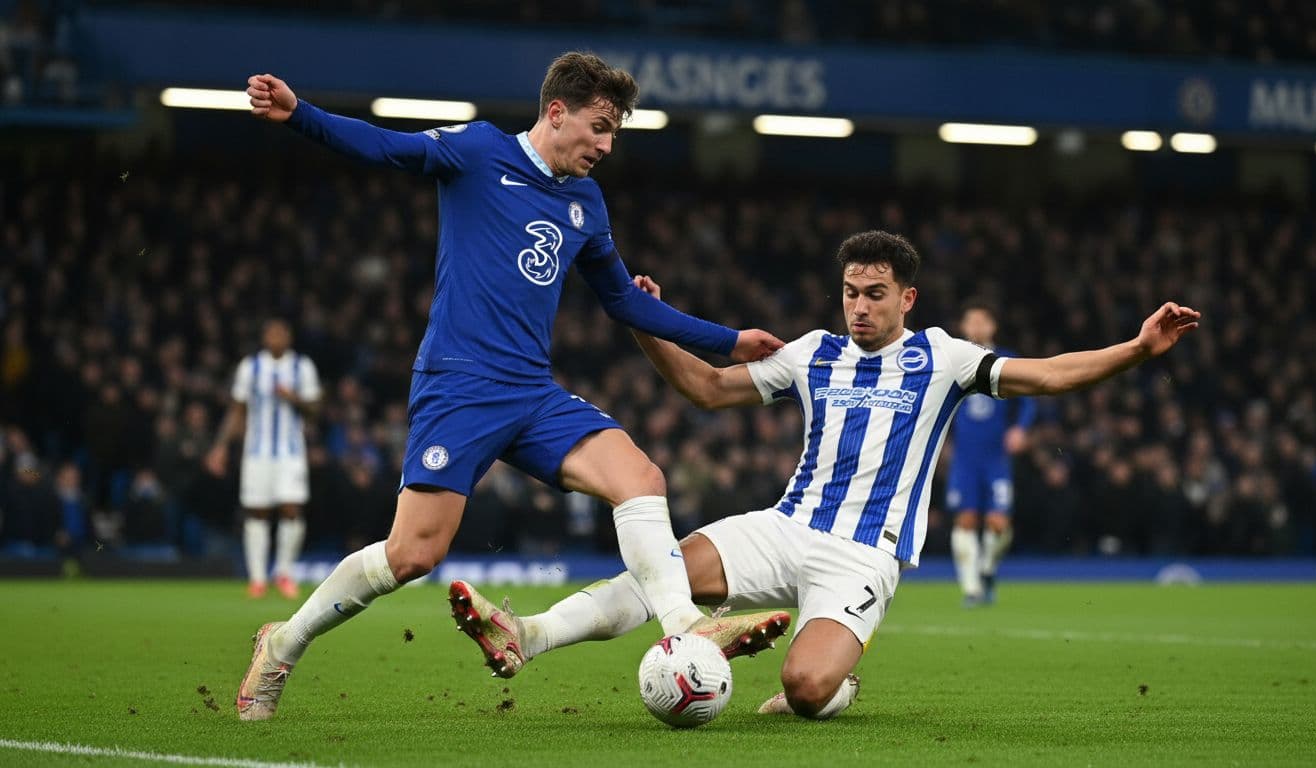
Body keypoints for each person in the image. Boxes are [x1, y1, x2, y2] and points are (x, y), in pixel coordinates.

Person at [235, 53, 787, 721]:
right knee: (414, 554)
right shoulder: (476, 152)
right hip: (460, 386)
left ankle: (685, 623)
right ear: (557, 112)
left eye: (615, 134)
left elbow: (625, 302)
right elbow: (384, 148)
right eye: (600, 127)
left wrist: (727, 341)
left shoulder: (585, 202)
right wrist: (300, 116)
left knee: (641, 478)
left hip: (531, 391)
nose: (607, 146)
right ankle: (283, 643)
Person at [450, 230, 1200, 720]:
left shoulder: (944, 357)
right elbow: (708, 389)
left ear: (907, 298)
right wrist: (649, 325)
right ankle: (528, 632)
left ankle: (833, 676)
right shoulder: (814, 352)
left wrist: (1134, 349)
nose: (859, 307)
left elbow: (1048, 376)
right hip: (782, 527)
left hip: (861, 555)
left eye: (875, 294)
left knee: (807, 692)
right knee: (665, 572)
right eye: (850, 291)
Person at [206, 318, 322, 599]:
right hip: (256, 452)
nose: (276, 338)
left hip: (290, 452)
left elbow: (316, 409)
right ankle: (257, 578)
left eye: (281, 333)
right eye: (271, 334)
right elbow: (237, 410)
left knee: (291, 508)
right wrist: (220, 446)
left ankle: (284, 573)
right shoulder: (250, 367)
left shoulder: (302, 366)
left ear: (289, 337)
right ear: (264, 337)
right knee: (257, 511)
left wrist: (293, 397)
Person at [945, 302, 1035, 606]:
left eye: (982, 321)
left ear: (992, 326)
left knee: (999, 524)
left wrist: (1020, 428)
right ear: (963, 327)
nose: (976, 327)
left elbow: (1029, 397)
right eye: (970, 321)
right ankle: (971, 589)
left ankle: (987, 570)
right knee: (966, 520)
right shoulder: (953, 359)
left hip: (996, 457)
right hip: (964, 459)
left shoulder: (1006, 359)